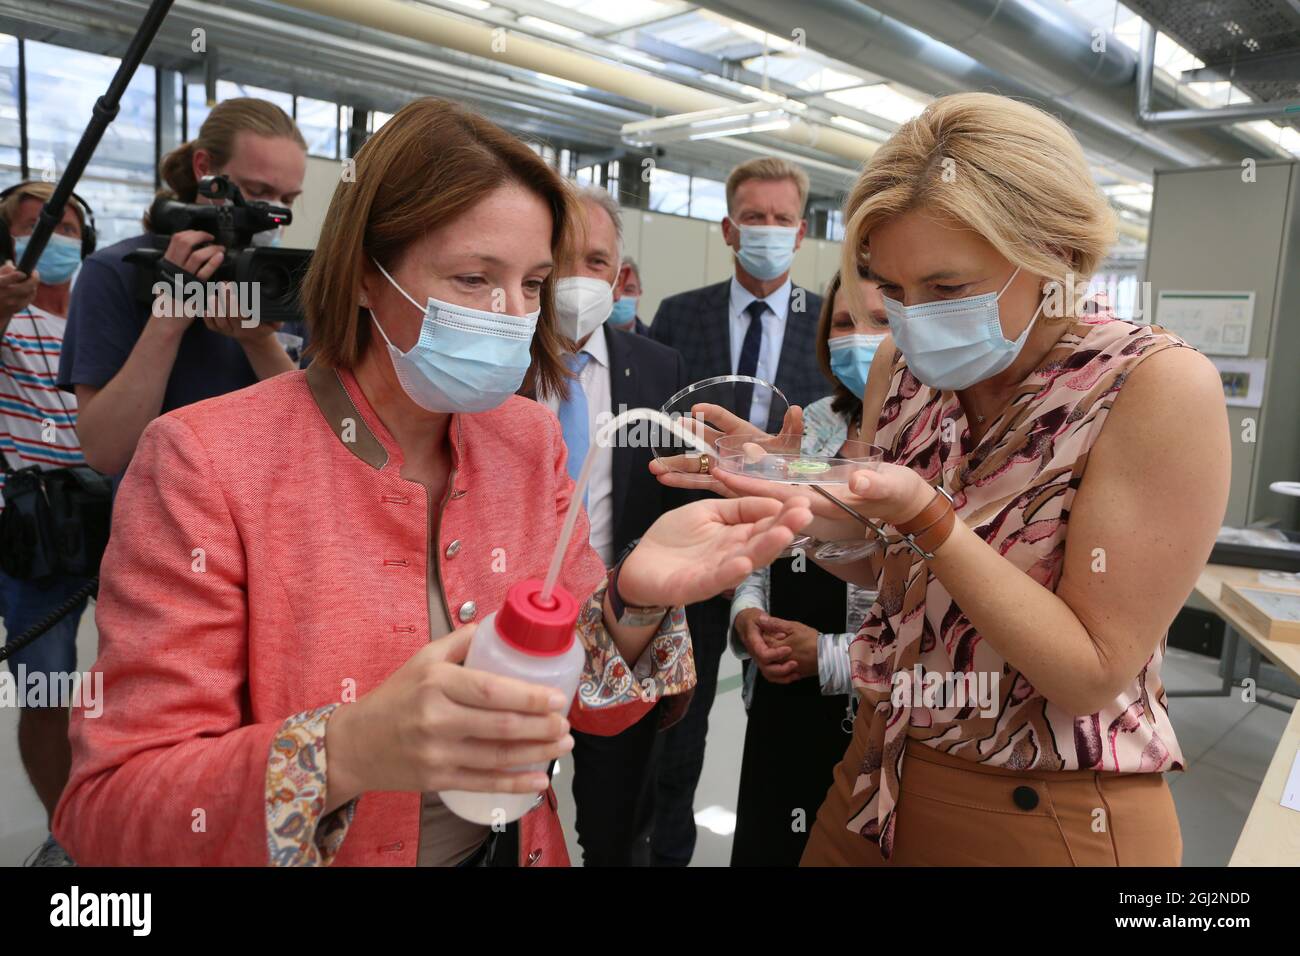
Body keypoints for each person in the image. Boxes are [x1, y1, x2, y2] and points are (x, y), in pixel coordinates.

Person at [51, 97, 812, 867]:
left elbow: (586, 706)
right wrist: (347, 750)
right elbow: (114, 810)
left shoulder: (526, 439)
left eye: (533, 284)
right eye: (474, 278)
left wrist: (633, 603)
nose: (513, 315)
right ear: (362, 278)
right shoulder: (204, 461)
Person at [665, 92, 1230, 866]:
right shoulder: (906, 366)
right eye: (889, 290)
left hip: (1042, 808)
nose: (913, 319)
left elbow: (1090, 670)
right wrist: (803, 500)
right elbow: (888, 568)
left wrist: (934, 520)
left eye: (946, 288)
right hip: (877, 769)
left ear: (1052, 251)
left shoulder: (1152, 387)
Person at [642, 155, 828, 866]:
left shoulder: (830, 329)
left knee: (782, 738)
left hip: (791, 561)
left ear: (802, 232)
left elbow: (839, 452)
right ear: (728, 226)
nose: (769, 230)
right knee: (673, 742)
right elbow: (651, 437)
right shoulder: (678, 315)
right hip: (692, 549)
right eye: (755, 217)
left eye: (782, 219)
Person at [535, 185, 690, 866]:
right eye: (560, 259)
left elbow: (668, 506)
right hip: (509, 633)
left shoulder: (658, 367)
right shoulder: (493, 370)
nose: (578, 278)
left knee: (617, 823)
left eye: (595, 261)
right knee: (505, 812)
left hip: (617, 630)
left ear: (620, 272)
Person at [727, 270, 892, 867]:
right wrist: (748, 615)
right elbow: (768, 540)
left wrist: (823, 653)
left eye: (880, 321)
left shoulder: (932, 437)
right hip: (780, 694)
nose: (859, 339)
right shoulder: (813, 422)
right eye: (844, 324)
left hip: (872, 714)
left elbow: (931, 611)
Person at [57, 97, 307, 480]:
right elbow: (106, 452)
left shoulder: (281, 277)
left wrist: (259, 343)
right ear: (205, 169)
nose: (272, 212)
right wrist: (168, 321)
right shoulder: (116, 272)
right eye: (256, 190)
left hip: (270, 522)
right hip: (165, 527)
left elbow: (311, 439)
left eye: (286, 200)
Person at [0, 182, 96, 867]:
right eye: (36, 226)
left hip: (116, 509)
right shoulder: (7, 313)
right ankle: (66, 829)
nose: (55, 237)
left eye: (66, 225)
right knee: (47, 685)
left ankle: (124, 811)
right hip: (38, 525)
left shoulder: (100, 306)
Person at [607, 256, 649, 335]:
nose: (619, 297)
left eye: (628, 290)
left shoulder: (655, 339)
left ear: (639, 293)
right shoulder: (581, 341)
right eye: (613, 290)